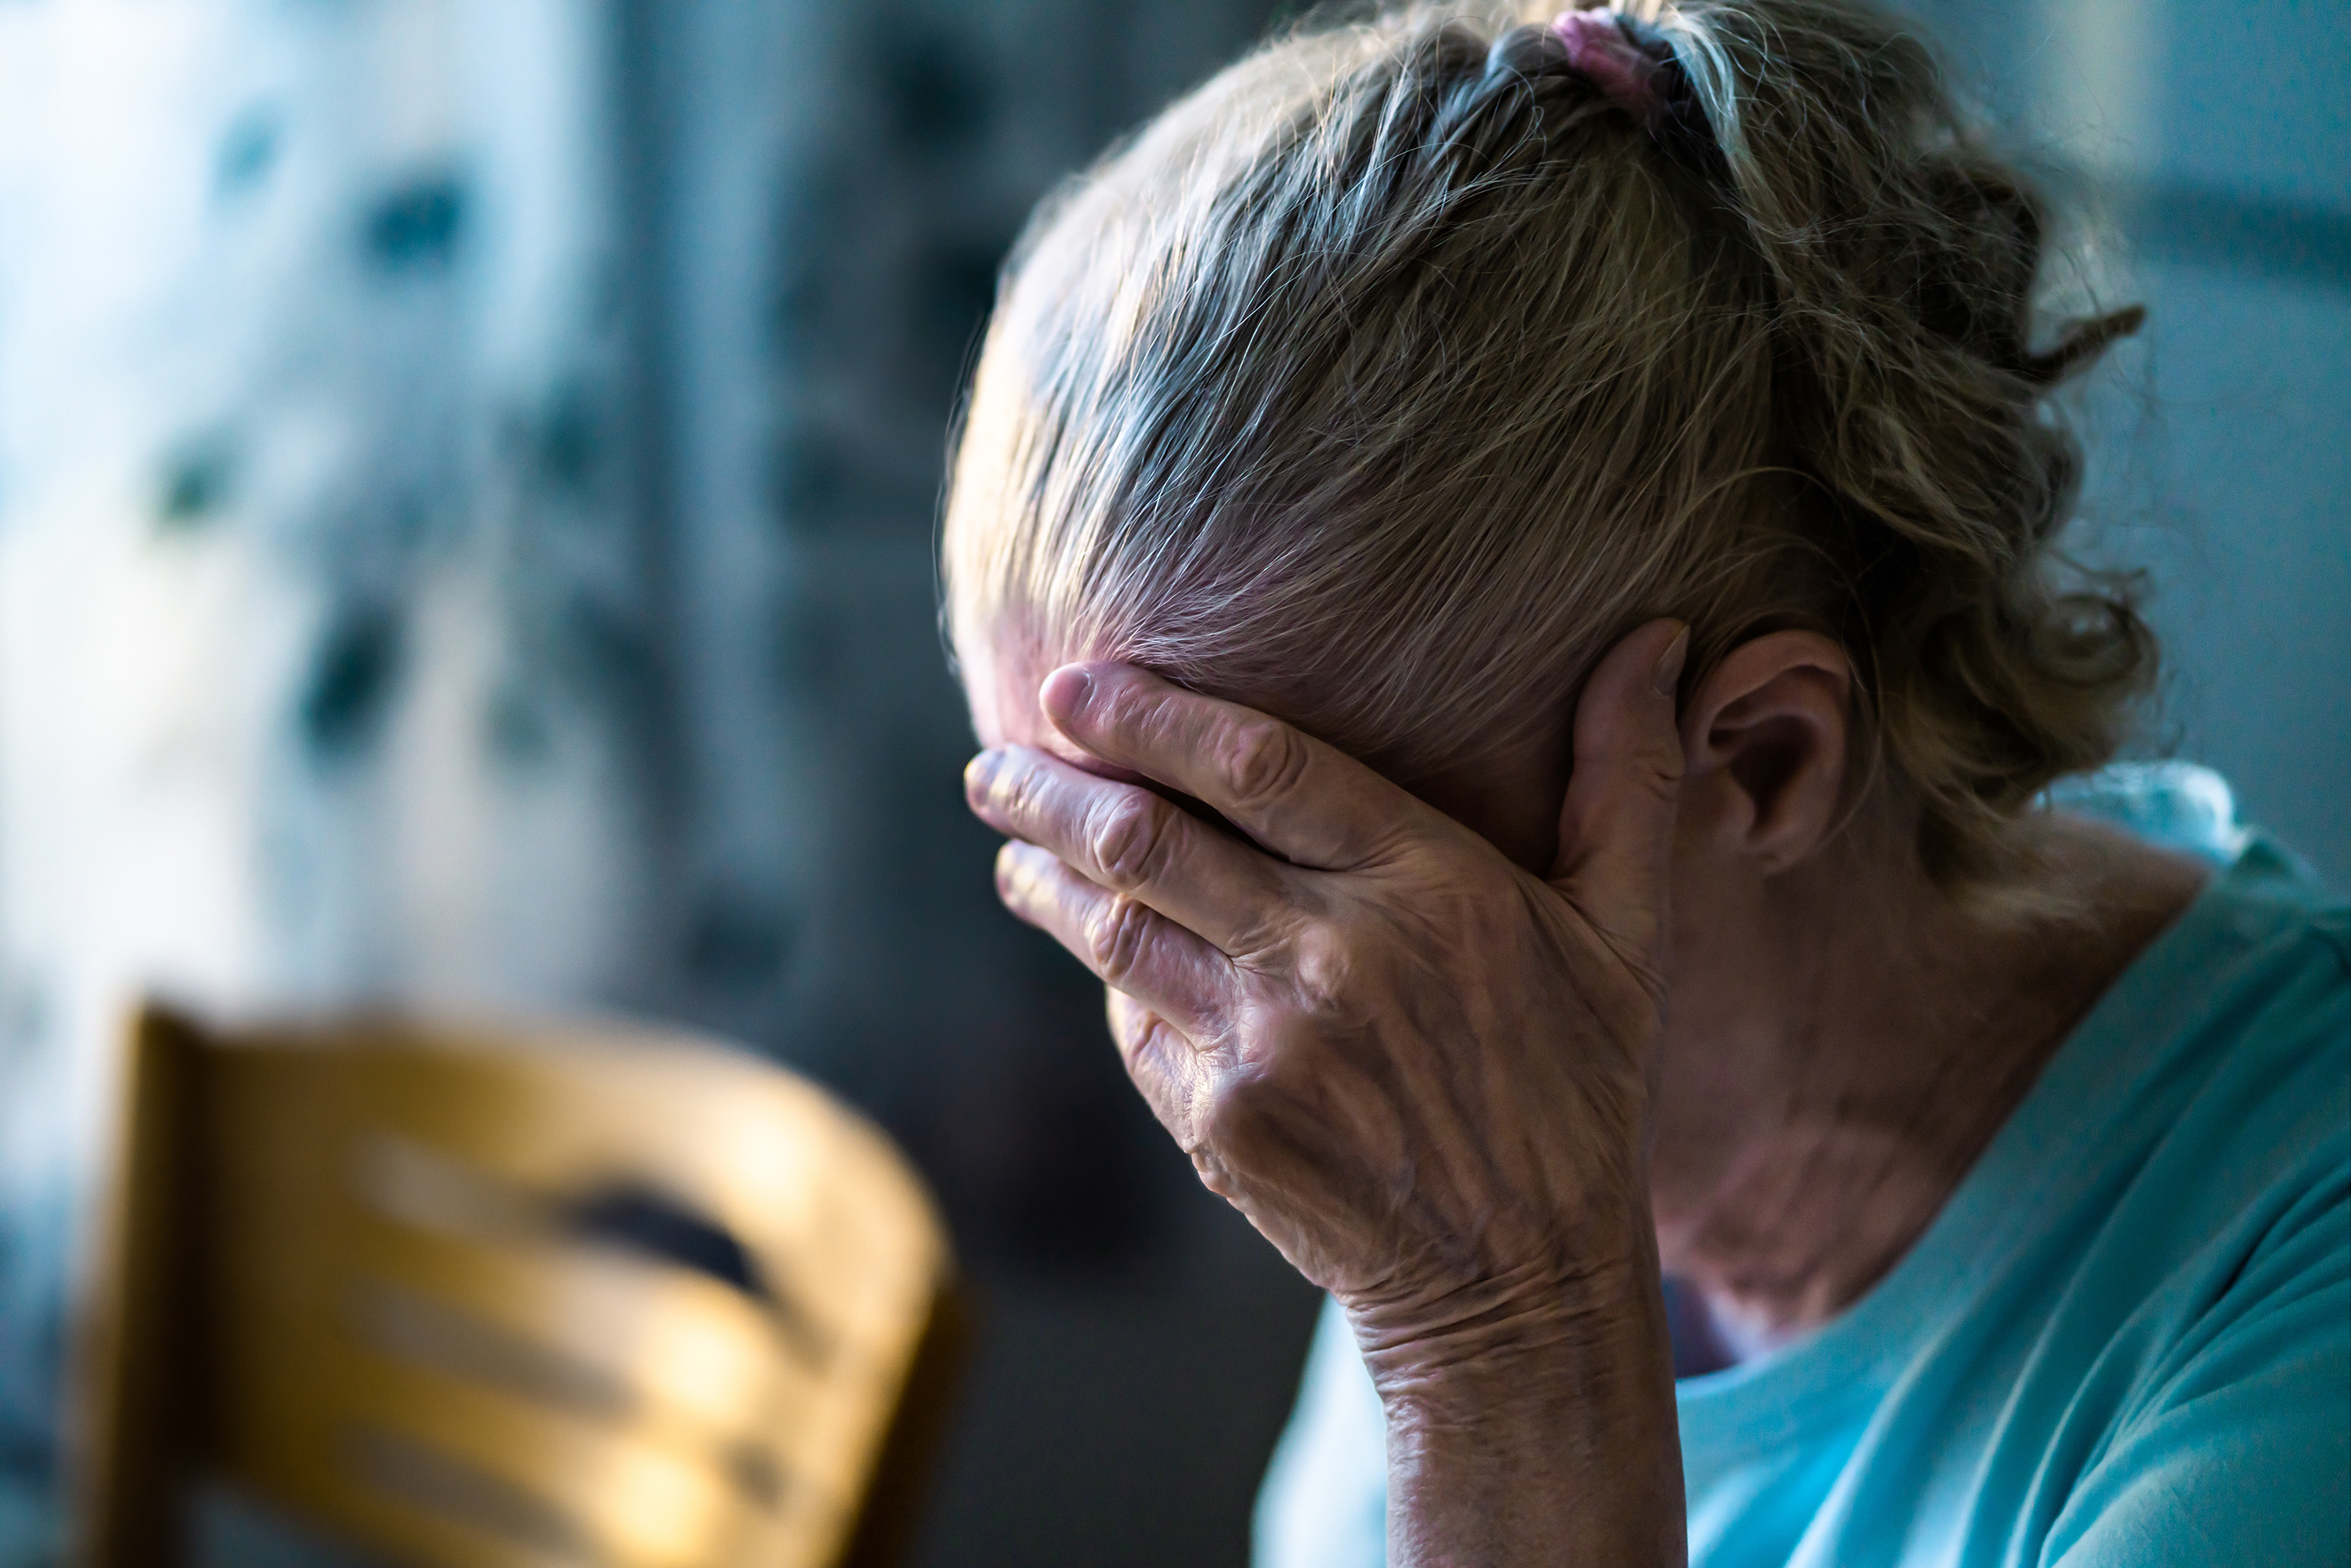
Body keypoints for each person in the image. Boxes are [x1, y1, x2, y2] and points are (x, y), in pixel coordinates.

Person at [941, 2, 2350, 1562]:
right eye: (1129, 900)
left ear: (1757, 761)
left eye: (1254, 886)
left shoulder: (2289, 1294)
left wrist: (1506, 1333)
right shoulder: (1439, 1060)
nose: (1228, 1062)